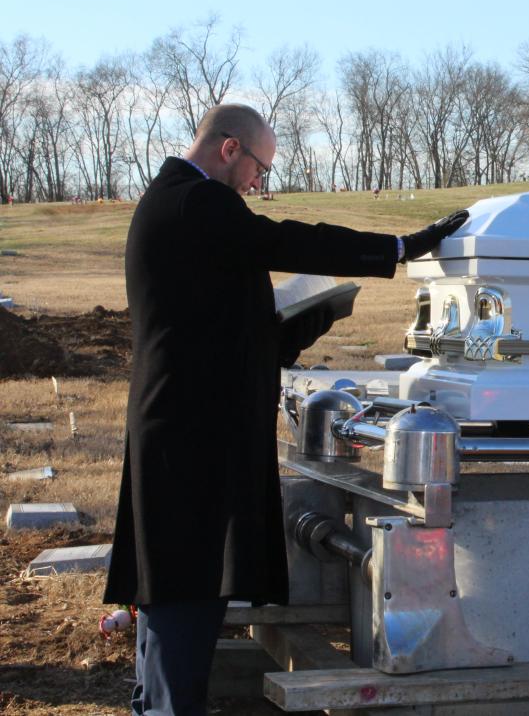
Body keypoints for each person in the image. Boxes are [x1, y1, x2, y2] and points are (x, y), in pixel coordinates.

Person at [103, 103, 468, 715]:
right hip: (189, 432)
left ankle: (159, 703)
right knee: (184, 578)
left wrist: (302, 323)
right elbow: (285, 239)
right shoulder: (197, 202)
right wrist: (399, 247)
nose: (257, 183)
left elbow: (216, 325)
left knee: (177, 577)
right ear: (228, 149)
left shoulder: (182, 206)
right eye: (258, 167)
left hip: (186, 423)